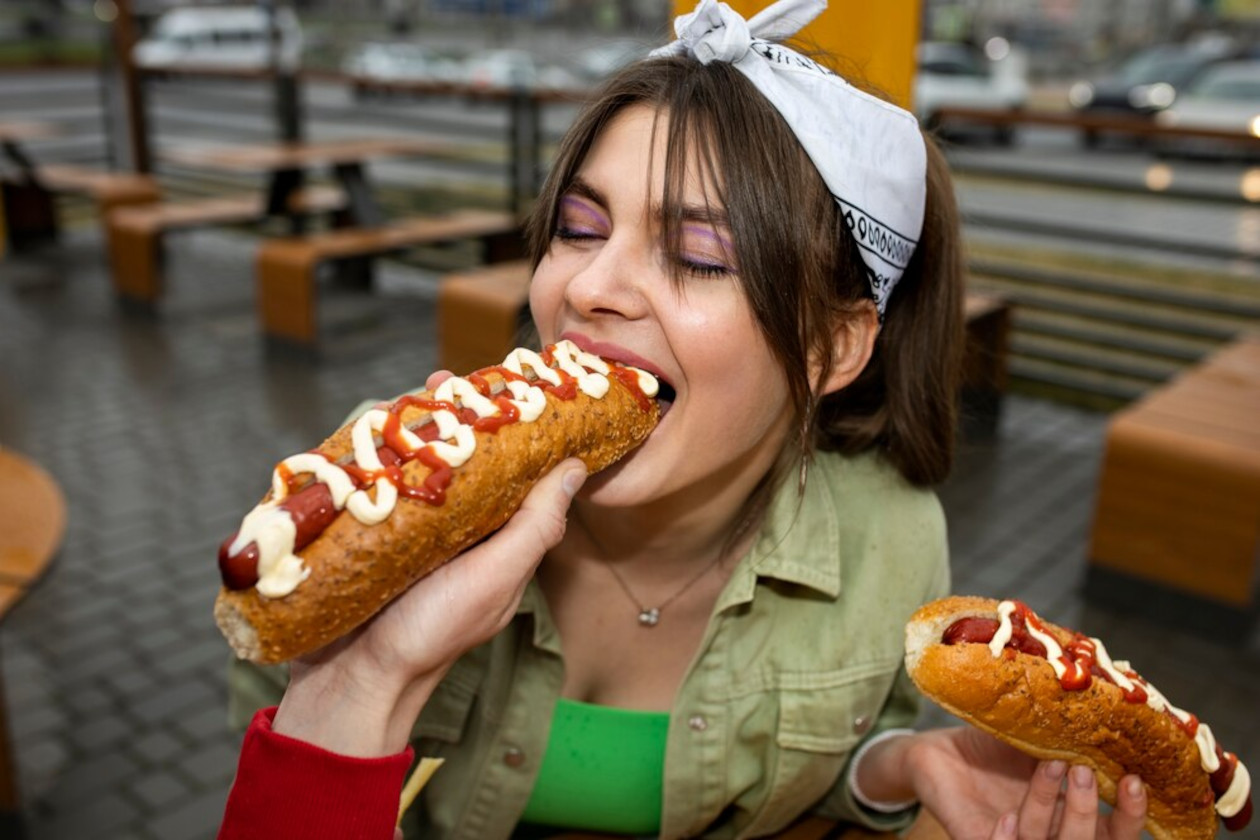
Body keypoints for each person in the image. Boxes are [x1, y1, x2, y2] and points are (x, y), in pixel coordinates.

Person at [218, 1, 1149, 838]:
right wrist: (363, 679)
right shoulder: (378, 493)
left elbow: (823, 767)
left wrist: (896, 769)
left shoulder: (889, 541)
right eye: (580, 228)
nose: (587, 286)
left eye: (700, 254)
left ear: (832, 348)